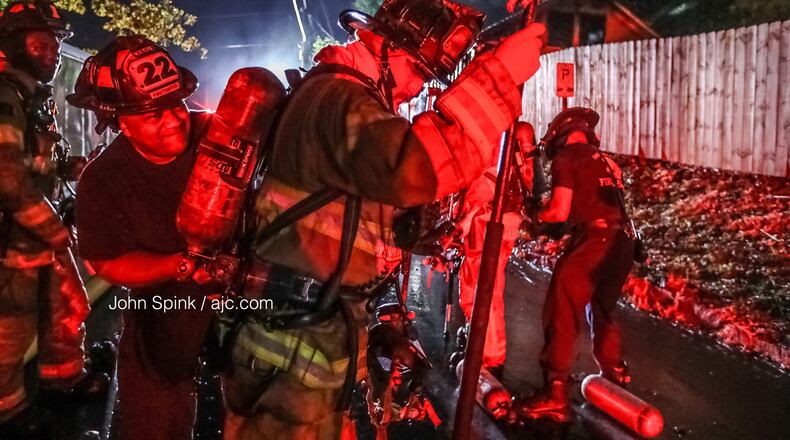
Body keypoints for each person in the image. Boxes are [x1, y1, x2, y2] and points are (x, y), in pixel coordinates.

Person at [221, 0, 545, 438]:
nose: (416, 89)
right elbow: (412, 169)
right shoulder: (336, 96)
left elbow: (360, 222)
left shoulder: (340, 99)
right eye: (417, 71)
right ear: (384, 47)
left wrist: (389, 318)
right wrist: (498, 79)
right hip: (294, 343)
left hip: (310, 331)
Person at [68, 36, 215, 440]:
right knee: (154, 421)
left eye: (177, 104)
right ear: (122, 124)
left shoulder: (219, 138)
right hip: (162, 311)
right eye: (153, 115)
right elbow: (108, 262)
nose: (174, 119)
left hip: (246, 308)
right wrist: (179, 265)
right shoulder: (103, 180)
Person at [0, 1, 104, 437]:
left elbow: (37, 162)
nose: (52, 53)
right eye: (41, 44)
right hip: (11, 241)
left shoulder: (33, 95)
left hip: (37, 233)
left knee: (62, 310)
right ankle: (9, 411)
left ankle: (63, 381)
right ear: (14, 44)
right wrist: (55, 231)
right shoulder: (4, 95)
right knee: (9, 331)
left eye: (55, 45)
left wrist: (71, 168)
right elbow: (7, 179)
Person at [515, 107, 634, 422]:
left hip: (595, 240)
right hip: (621, 242)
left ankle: (554, 393)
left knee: (562, 310)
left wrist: (535, 214)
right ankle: (614, 375)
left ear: (559, 135)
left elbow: (559, 211)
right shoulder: (603, 160)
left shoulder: (568, 158)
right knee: (604, 308)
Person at [456, 121, 542, 377]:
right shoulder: (521, 130)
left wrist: (466, 216)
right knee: (488, 283)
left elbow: (475, 170)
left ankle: (490, 357)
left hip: (486, 213)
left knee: (482, 287)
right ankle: (483, 343)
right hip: (506, 215)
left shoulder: (489, 128)